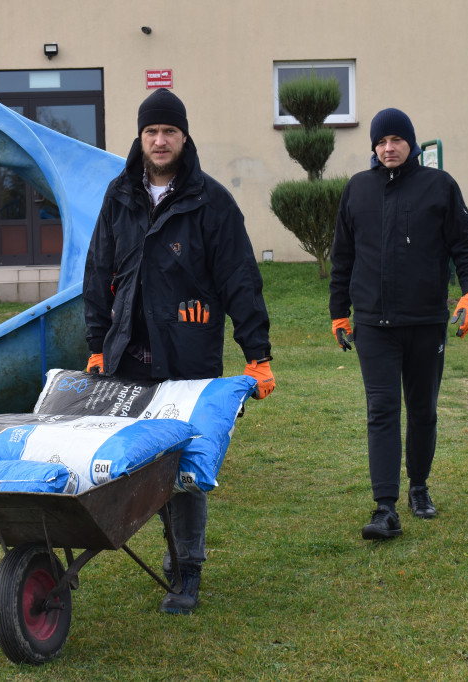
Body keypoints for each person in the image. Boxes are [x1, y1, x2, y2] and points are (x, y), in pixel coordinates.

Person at [83, 88, 275, 613]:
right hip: (128, 359)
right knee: (137, 464)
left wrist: (256, 353)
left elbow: (240, 279)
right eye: (151, 132)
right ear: (140, 138)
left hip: (189, 360)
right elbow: (98, 273)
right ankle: (160, 547)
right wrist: (97, 347)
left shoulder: (210, 201)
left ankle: (186, 567)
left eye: (169, 131)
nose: (160, 140)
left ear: (184, 136)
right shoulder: (119, 196)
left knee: (184, 470)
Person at [328, 107, 468, 541]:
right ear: (373, 148)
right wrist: (339, 311)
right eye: (381, 142)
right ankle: (384, 507)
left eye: (396, 140)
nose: (388, 147)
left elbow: (467, 247)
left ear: (411, 144)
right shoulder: (357, 190)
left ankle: (419, 486)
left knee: (422, 411)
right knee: (381, 410)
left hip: (425, 322)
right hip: (373, 326)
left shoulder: (439, 187)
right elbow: (343, 258)